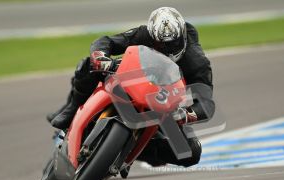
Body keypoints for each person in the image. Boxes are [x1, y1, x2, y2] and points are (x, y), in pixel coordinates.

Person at [47, 7, 215, 168]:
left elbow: (206, 104)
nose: (167, 50)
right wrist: (101, 56)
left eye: (172, 44)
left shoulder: (197, 62)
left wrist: (186, 114)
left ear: (183, 37)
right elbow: (106, 41)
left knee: (192, 153)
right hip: (133, 80)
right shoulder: (145, 34)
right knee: (87, 64)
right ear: (152, 35)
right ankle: (72, 108)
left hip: (164, 103)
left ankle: (144, 151)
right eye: (160, 44)